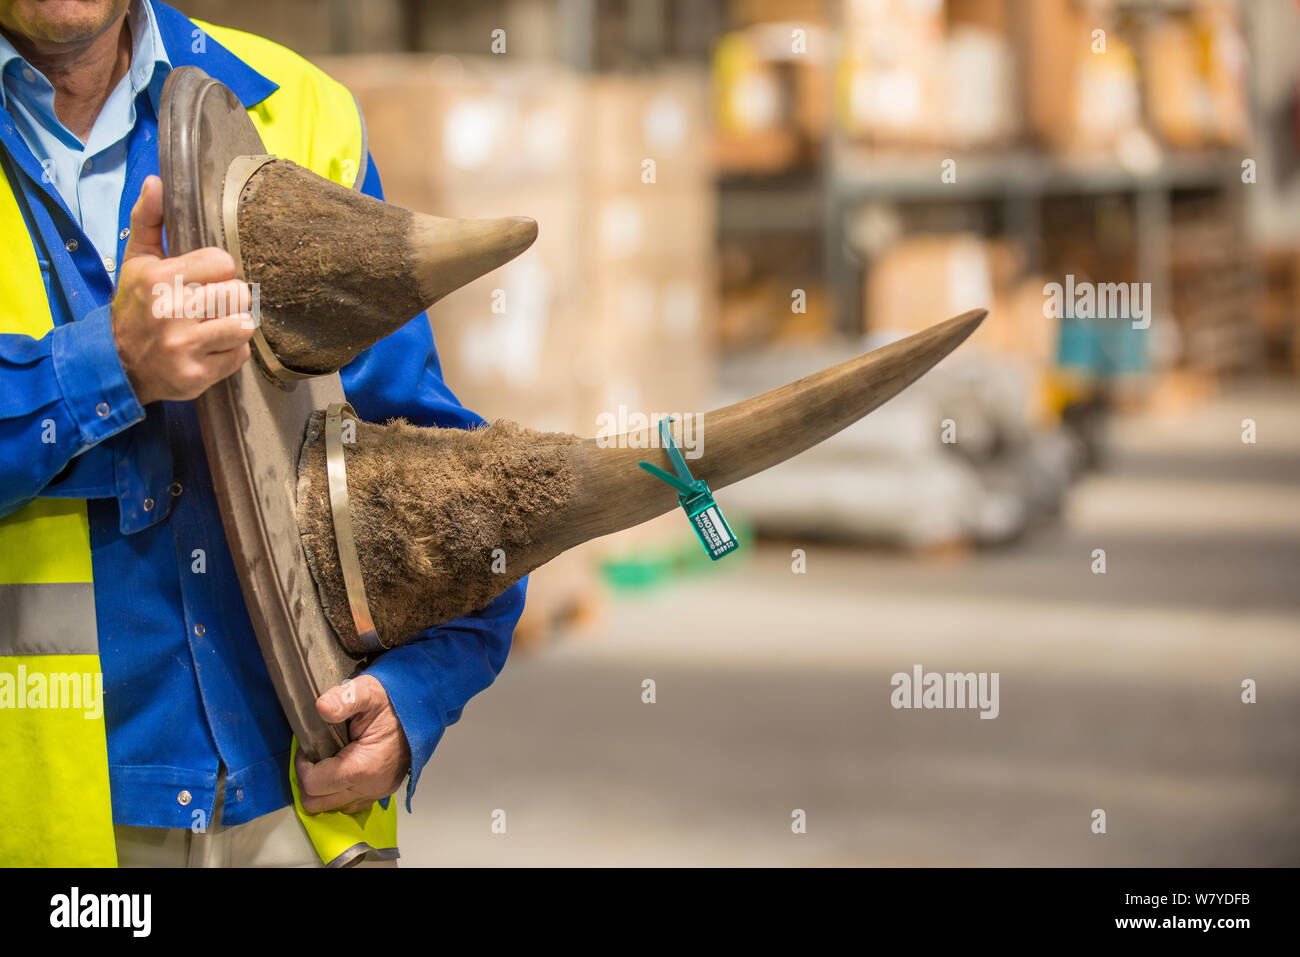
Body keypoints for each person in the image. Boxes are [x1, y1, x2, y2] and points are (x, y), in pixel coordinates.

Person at [0, 0, 523, 866]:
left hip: (299, 818)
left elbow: (428, 465)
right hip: (48, 833)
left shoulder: (299, 112)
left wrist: (418, 690)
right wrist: (109, 367)